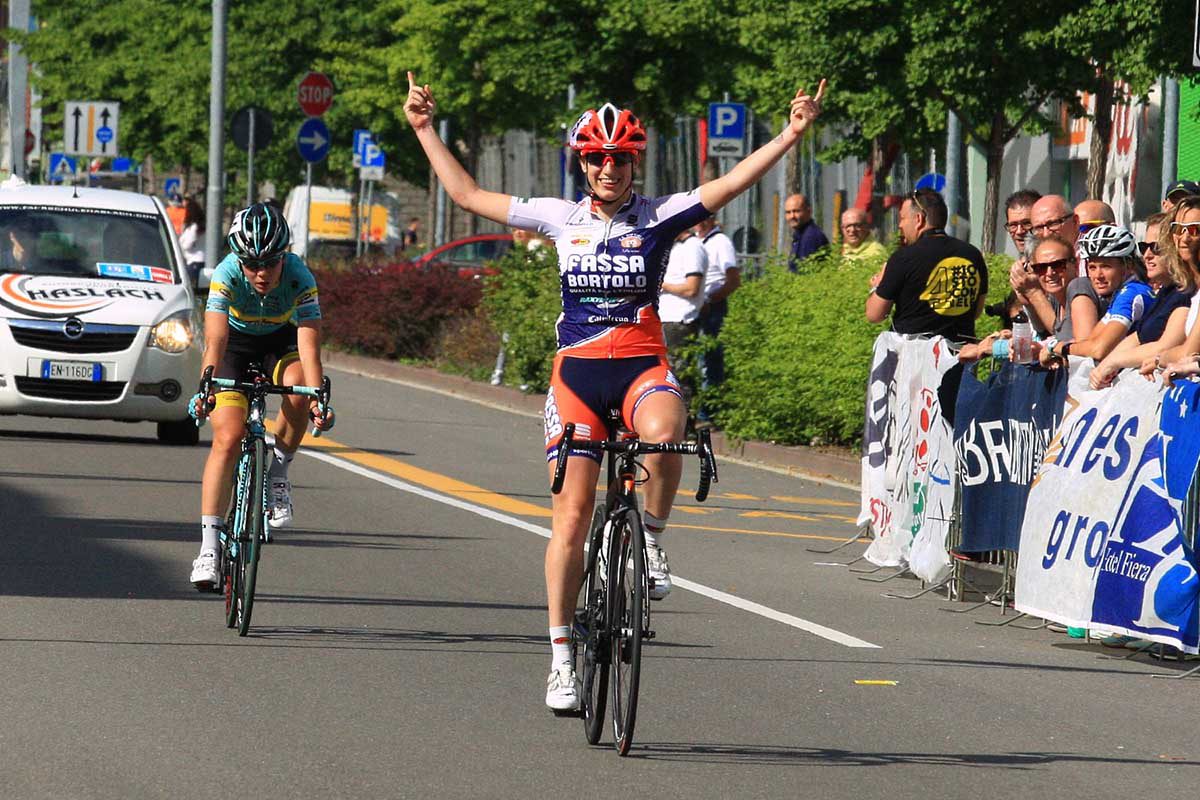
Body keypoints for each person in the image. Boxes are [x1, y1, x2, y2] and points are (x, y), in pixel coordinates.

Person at [403, 70, 826, 711]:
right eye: (598, 158)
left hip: (640, 369)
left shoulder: (660, 215)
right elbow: (466, 194)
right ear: (582, 163)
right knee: (570, 518)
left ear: (634, 162)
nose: (608, 167)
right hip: (576, 375)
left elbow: (735, 182)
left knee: (668, 428)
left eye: (620, 158)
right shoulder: (558, 216)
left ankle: (650, 535)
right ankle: (562, 657)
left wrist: (791, 133)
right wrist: (424, 128)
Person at [187, 203, 335, 590]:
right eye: (251, 264)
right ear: (239, 259)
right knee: (228, 437)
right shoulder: (226, 273)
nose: (261, 273)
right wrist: (206, 385)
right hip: (234, 345)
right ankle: (208, 549)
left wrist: (318, 396)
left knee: (299, 387)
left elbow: (308, 341)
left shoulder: (300, 276)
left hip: (278, 341)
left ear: (284, 255)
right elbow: (216, 338)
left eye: (270, 262)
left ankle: (279, 474)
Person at [865, 188, 988, 342]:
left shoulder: (903, 258)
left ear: (919, 219)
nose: (900, 226)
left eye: (902, 218)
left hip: (914, 357)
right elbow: (975, 312)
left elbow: (875, 315)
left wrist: (877, 286)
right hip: (961, 356)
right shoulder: (973, 255)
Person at [1090, 213, 1193, 388]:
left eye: (1156, 248)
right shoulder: (1165, 291)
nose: (1147, 255)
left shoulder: (1186, 293)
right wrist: (1106, 366)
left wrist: (1113, 362)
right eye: (1144, 246)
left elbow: (1164, 346)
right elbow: (1138, 337)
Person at [1040, 225, 1152, 366]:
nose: (1097, 276)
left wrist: (1056, 347)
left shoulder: (1131, 293)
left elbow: (1099, 349)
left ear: (1128, 265)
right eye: (1092, 267)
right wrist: (1060, 350)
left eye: (1106, 266)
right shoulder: (1121, 293)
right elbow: (1089, 343)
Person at [695, 215, 739, 427]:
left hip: (712, 308)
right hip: (692, 309)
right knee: (693, 361)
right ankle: (697, 410)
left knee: (710, 359)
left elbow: (733, 281)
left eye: (704, 217)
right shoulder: (695, 241)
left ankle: (709, 413)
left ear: (712, 218)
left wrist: (710, 300)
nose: (699, 221)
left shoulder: (720, 242)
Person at [658, 230, 707, 414]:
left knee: (680, 374)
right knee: (669, 373)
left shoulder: (693, 247)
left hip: (680, 319)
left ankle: (689, 425)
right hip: (668, 318)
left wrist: (661, 284)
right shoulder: (677, 246)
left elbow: (691, 288)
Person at [785, 193, 828, 270]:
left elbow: (805, 272)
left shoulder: (811, 237)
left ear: (809, 211)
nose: (792, 216)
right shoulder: (800, 234)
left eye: (796, 211)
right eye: (788, 212)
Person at [177, 196, 206, 288]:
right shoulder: (200, 227)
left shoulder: (194, 228)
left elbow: (187, 245)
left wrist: (179, 243)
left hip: (194, 262)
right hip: (198, 261)